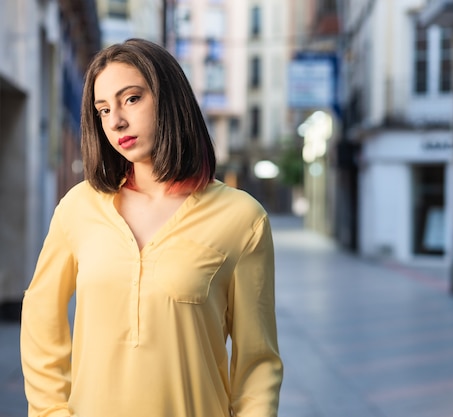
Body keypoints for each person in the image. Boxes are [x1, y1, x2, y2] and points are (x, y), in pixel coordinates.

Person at [20, 38, 283, 417]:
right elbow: (41, 313)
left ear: (169, 98)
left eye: (131, 99)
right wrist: (50, 412)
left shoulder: (242, 218)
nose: (116, 121)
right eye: (103, 109)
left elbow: (257, 362)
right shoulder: (79, 207)